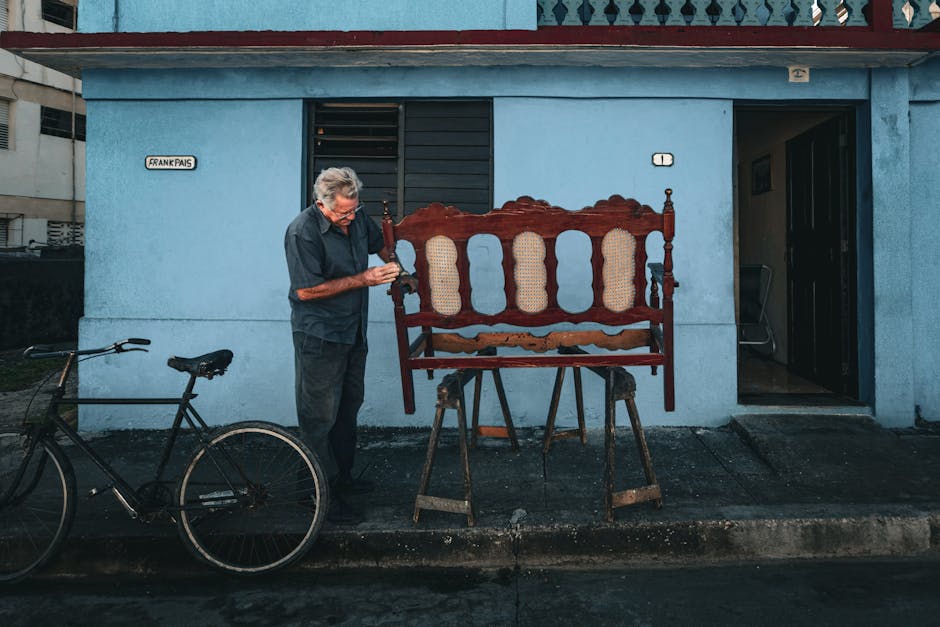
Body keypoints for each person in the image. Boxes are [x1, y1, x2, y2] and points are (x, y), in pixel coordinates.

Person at [284, 167, 408, 524]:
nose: (351, 218)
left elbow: (380, 244)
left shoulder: (356, 218)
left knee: (348, 409)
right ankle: (315, 495)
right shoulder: (302, 232)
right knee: (318, 417)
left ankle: (343, 480)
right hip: (319, 335)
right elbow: (306, 291)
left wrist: (398, 268)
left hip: (353, 331)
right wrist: (364, 279)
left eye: (354, 210)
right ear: (321, 205)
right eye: (343, 213)